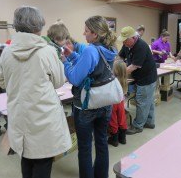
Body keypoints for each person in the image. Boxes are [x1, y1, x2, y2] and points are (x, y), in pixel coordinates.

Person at [0, 6, 71, 178]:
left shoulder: (7, 52)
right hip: (43, 116)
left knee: (26, 155)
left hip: (19, 113)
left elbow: (1, 81)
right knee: (43, 159)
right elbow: (59, 81)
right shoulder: (47, 52)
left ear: (16, 26)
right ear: (39, 26)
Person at [62, 15, 117, 178]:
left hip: (86, 106)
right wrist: (72, 55)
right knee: (101, 143)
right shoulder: (110, 49)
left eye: (86, 31)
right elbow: (92, 65)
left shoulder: (90, 50)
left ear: (95, 34)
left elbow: (75, 78)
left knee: (85, 147)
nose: (83, 33)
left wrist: (65, 61)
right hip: (105, 103)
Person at [118, 26, 157, 135]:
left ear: (133, 38)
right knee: (148, 101)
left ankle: (138, 126)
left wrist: (118, 74)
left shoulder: (141, 46)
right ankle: (149, 122)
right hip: (139, 77)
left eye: (126, 40)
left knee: (142, 102)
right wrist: (116, 65)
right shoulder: (127, 44)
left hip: (147, 78)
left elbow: (134, 66)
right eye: (123, 41)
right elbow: (120, 57)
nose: (124, 43)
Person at [108, 60, 128, 147]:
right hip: (121, 101)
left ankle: (114, 139)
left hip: (112, 102)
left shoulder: (112, 80)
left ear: (115, 70)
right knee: (121, 118)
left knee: (113, 120)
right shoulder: (124, 79)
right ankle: (123, 138)